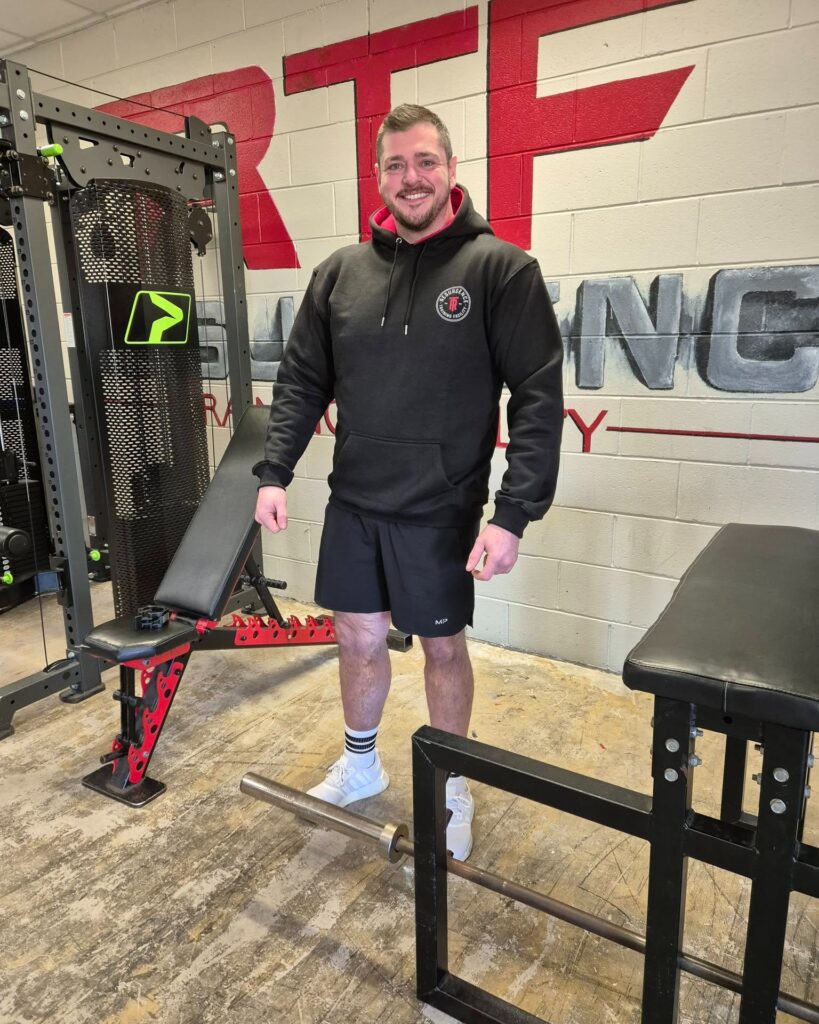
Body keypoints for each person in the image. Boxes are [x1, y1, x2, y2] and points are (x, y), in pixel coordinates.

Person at [253, 104, 563, 861]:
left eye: (425, 161)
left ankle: (452, 785)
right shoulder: (340, 274)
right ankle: (361, 764)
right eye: (395, 164)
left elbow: (537, 395)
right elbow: (302, 381)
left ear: (451, 170)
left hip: (441, 506)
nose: (411, 177)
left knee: (441, 648)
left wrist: (512, 514)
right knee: (355, 635)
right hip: (356, 498)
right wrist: (274, 472)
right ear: (378, 176)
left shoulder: (500, 270)